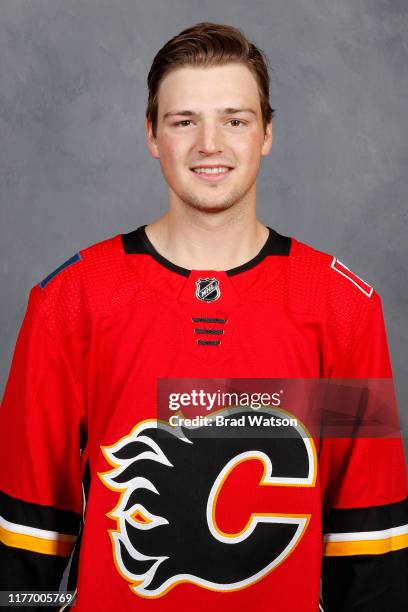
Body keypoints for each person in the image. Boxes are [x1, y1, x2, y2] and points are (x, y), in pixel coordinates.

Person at [0, 21, 407, 612]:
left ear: (267, 133)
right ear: (151, 135)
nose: (209, 144)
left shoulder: (342, 307)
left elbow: (367, 538)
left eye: (234, 120)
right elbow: (26, 533)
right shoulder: (72, 301)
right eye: (183, 121)